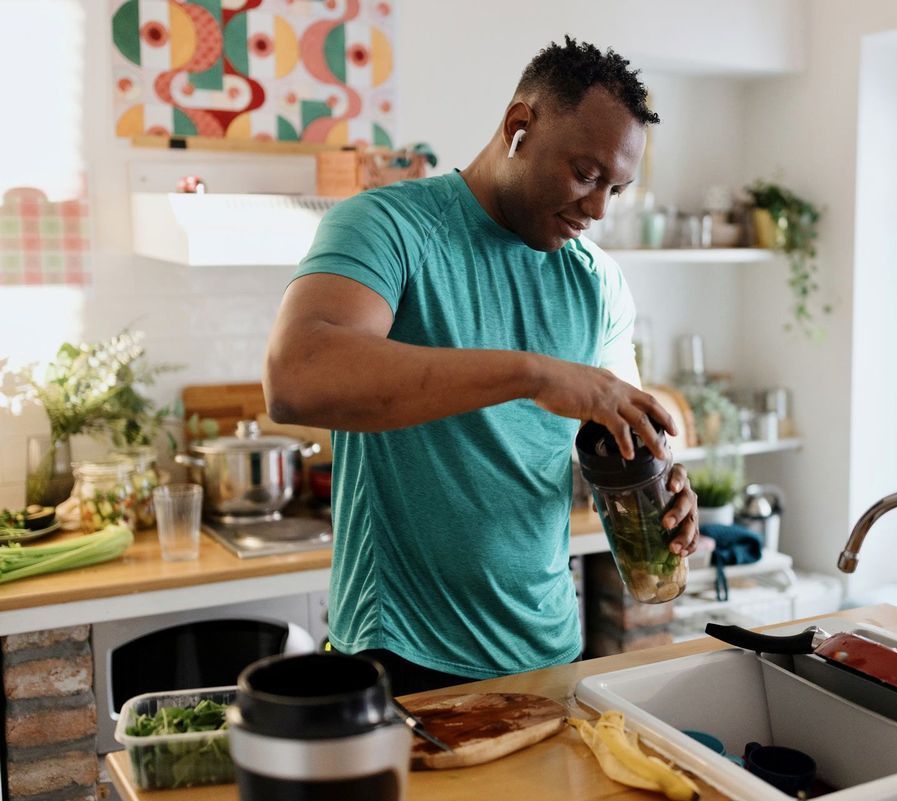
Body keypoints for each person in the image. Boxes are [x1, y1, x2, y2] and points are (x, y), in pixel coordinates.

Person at [263, 36, 699, 694]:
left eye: (617, 187)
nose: (599, 208)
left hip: (550, 653)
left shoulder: (599, 283)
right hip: (401, 660)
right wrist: (536, 373)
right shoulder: (388, 227)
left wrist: (662, 491)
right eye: (585, 173)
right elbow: (297, 377)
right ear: (519, 126)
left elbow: (626, 442)